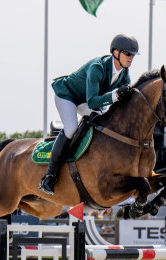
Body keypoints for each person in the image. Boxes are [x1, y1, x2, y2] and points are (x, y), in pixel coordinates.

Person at [39, 34, 138, 195]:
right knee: (71, 127)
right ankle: (49, 176)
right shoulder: (97, 68)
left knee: (103, 125)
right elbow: (92, 102)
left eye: (133, 55)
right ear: (116, 52)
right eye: (128, 53)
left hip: (86, 101)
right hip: (68, 96)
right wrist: (115, 95)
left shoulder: (124, 73)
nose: (131, 58)